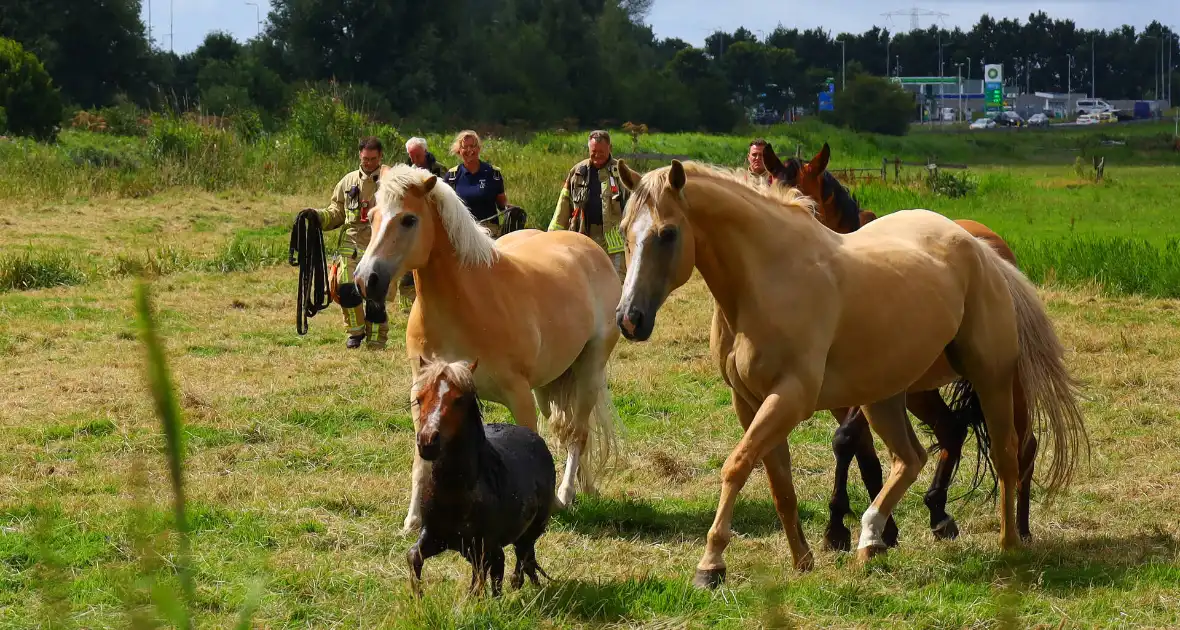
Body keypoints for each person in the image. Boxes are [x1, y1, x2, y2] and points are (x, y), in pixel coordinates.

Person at [313, 136, 389, 350]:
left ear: (380, 157)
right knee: (345, 286)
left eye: (373, 159)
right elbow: (336, 212)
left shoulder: (389, 181)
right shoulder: (347, 181)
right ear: (359, 155)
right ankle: (355, 333)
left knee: (375, 294)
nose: (369, 163)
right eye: (365, 159)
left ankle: (376, 340)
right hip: (351, 241)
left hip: (379, 243)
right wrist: (316, 217)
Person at [547, 129, 629, 279]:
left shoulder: (621, 172)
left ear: (610, 148)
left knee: (616, 281)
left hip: (613, 242)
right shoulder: (577, 171)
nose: (597, 155)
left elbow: (633, 206)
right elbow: (564, 205)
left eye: (601, 151)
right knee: (584, 281)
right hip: (582, 236)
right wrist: (551, 237)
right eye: (593, 151)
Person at [442, 130, 508, 237]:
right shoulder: (452, 176)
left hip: (489, 233)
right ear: (459, 150)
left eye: (473, 146)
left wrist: (510, 210)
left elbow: (502, 203)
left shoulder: (493, 173)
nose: (469, 150)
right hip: (461, 233)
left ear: (478, 148)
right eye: (465, 147)